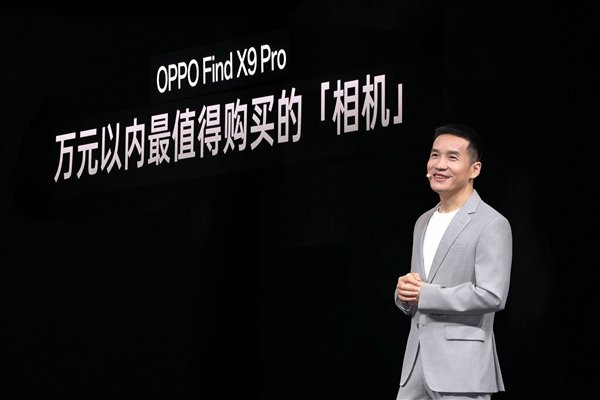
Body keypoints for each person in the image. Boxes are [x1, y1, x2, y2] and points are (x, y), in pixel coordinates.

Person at [394, 123, 512, 400]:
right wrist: (404, 294)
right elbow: (419, 289)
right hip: (415, 367)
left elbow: (492, 294)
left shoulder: (491, 223)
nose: (440, 164)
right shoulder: (423, 221)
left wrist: (425, 295)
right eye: (435, 155)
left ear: (475, 169)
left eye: (452, 157)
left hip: (461, 369)